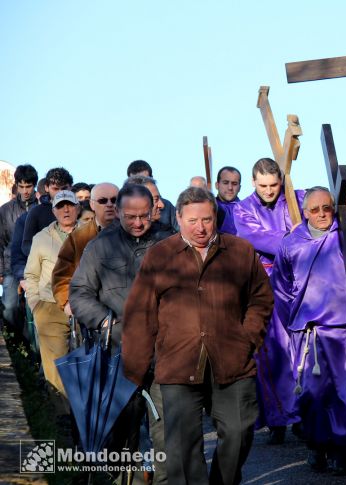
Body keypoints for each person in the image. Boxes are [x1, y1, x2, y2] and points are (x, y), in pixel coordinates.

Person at [123, 187, 273, 485]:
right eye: (192, 220)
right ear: (177, 218)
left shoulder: (240, 251)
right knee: (182, 449)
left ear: (215, 217)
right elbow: (140, 314)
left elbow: (261, 298)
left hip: (233, 360)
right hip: (177, 364)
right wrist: (136, 371)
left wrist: (248, 338)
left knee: (239, 432)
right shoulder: (160, 256)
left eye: (206, 219)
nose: (200, 227)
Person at [271, 187, 346, 474]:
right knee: (314, 395)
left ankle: (345, 450)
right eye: (314, 210)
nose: (322, 214)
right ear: (305, 212)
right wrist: (296, 323)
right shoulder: (291, 244)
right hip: (312, 333)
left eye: (326, 208)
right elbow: (282, 289)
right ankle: (317, 445)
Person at [70, 183, 173, 481]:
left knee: (168, 434)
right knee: (119, 439)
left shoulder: (169, 242)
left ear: (154, 210)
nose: (138, 223)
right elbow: (79, 293)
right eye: (131, 217)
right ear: (119, 212)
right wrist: (105, 322)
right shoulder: (100, 246)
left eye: (144, 216)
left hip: (164, 352)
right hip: (118, 353)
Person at [233, 157, 304, 443]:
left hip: (300, 281)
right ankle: (277, 419)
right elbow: (259, 239)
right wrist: (297, 237)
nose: (269, 190)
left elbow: (319, 211)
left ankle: (304, 414)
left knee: (301, 351)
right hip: (266, 285)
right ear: (253, 182)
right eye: (263, 185)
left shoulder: (297, 197)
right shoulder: (243, 208)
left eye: (274, 185)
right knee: (271, 353)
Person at [24, 190, 80, 411]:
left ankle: (89, 420)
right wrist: (36, 305)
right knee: (56, 367)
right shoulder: (41, 238)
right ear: (54, 211)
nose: (66, 210)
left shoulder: (91, 234)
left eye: (70, 205)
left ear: (77, 207)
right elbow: (31, 275)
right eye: (60, 206)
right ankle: (64, 418)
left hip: (86, 306)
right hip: (49, 306)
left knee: (87, 364)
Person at [52, 182, 119, 319]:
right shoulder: (78, 237)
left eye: (114, 200)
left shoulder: (133, 232)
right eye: (102, 200)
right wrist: (67, 303)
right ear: (92, 205)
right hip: (91, 313)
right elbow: (61, 275)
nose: (109, 204)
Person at [0, 164, 38, 332]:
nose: (25, 191)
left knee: (38, 310)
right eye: (21, 186)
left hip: (38, 266)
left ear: (34, 185)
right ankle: (18, 342)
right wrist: (0, 271)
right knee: (9, 307)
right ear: (16, 185)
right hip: (10, 267)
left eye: (28, 186)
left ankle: (32, 349)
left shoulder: (44, 208)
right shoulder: (5, 210)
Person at [22, 168, 74, 257]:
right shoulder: (36, 212)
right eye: (56, 189)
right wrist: (47, 253)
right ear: (46, 188)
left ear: (71, 187)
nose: (60, 193)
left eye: (64, 188)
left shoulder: (79, 210)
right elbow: (26, 245)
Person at [127, 160, 177, 231]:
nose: (142, 186)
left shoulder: (167, 207)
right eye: (136, 181)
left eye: (145, 179)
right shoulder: (114, 234)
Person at [214, 166, 241, 235]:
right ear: (217, 185)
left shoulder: (248, 210)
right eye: (225, 183)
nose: (230, 188)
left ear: (239, 188)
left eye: (234, 184)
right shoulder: (209, 207)